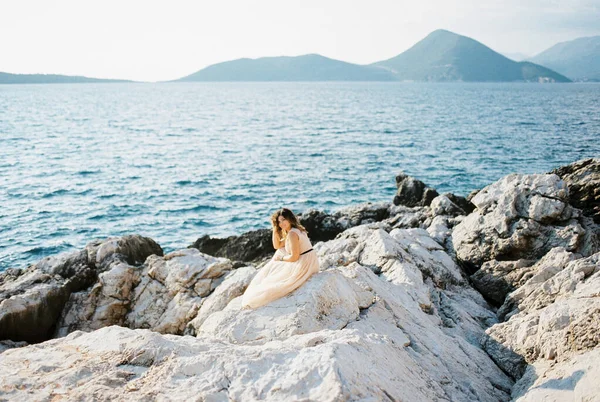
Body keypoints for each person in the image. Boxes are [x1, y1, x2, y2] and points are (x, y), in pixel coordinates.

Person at [241, 208, 320, 309]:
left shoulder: (292, 234)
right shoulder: (297, 230)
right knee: (280, 251)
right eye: (279, 222)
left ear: (290, 219)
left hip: (305, 264)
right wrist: (275, 228)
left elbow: (294, 257)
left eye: (283, 220)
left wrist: (281, 259)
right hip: (311, 262)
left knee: (277, 262)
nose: (281, 223)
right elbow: (277, 245)